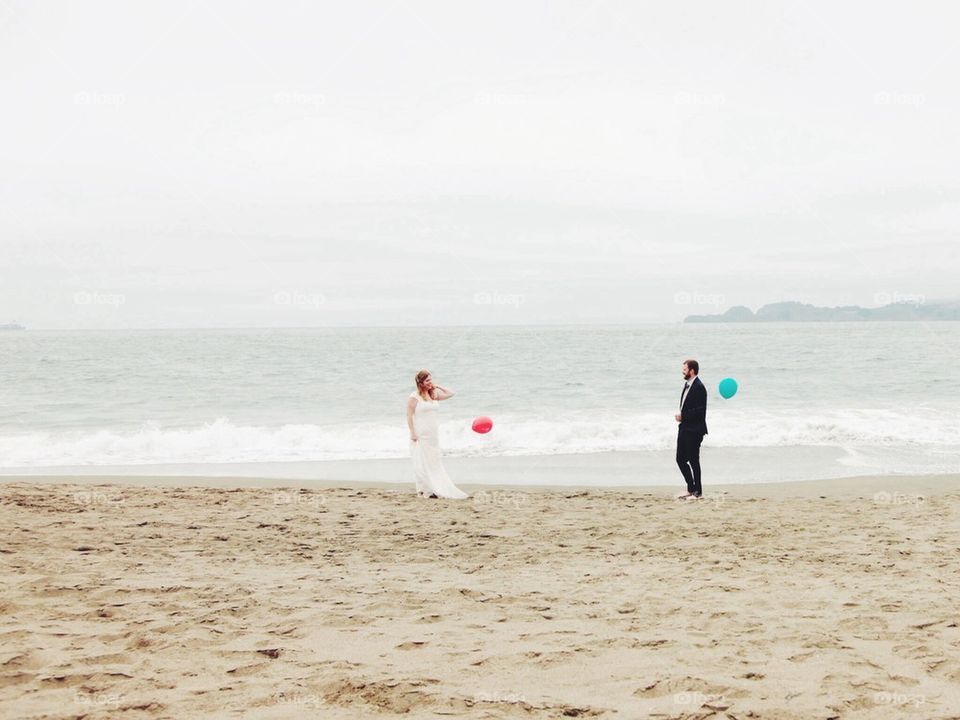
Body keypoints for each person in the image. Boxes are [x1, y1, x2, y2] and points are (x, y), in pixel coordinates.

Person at [406, 370, 468, 499]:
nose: (430, 382)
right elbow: (409, 415)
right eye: (427, 380)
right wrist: (413, 432)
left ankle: (435, 487)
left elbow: (451, 393)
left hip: (433, 434)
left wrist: (438, 386)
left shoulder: (433, 395)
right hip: (421, 433)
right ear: (421, 383)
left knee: (433, 461)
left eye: (431, 379)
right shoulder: (414, 397)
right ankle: (426, 490)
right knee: (422, 462)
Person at [675, 359, 708, 500]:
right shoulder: (687, 385)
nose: (683, 371)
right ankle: (690, 488)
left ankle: (698, 492)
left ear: (692, 370)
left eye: (685, 369)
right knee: (680, 459)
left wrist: (683, 416)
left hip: (695, 430)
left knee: (694, 460)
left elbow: (700, 411)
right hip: (684, 428)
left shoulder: (699, 387)